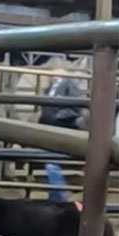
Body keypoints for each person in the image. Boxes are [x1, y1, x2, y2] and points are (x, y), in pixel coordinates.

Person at [38, 74, 86, 202]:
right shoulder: (50, 88)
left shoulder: (69, 84)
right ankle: (56, 193)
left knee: (51, 162)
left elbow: (77, 107)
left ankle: (59, 192)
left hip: (61, 126)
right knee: (50, 161)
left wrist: (57, 116)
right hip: (48, 128)